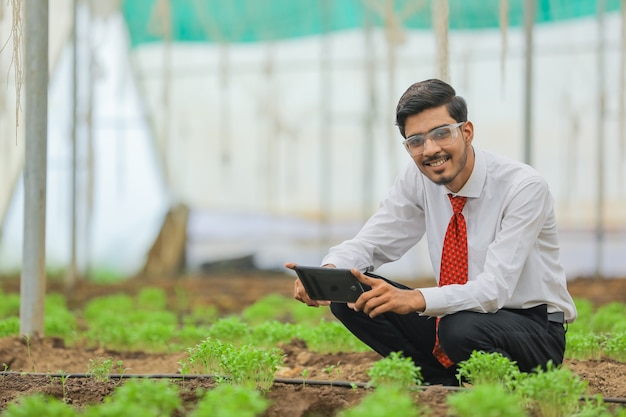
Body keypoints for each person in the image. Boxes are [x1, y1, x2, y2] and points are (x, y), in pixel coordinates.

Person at [285, 78, 577, 386]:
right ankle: (442, 387)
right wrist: (328, 273)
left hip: (532, 328)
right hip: (457, 320)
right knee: (353, 298)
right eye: (416, 141)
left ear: (466, 132)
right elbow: (373, 241)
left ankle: (505, 391)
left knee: (459, 328)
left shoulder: (522, 188)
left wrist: (415, 299)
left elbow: (495, 289)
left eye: (441, 134)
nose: (431, 149)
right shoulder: (418, 179)